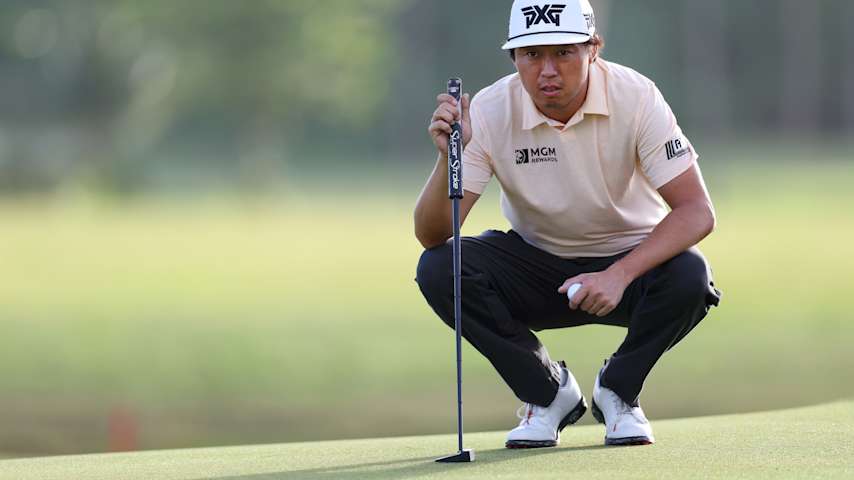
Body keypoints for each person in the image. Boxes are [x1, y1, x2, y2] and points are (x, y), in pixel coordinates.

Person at [414, 0, 722, 448]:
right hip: (535, 262)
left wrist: (618, 274)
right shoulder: (489, 108)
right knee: (440, 268)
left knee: (691, 276)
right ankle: (547, 394)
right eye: (532, 55)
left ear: (593, 50)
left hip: (629, 261)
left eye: (563, 52)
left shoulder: (635, 96)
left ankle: (618, 391)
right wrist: (448, 159)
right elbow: (432, 235)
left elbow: (696, 210)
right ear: (514, 59)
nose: (547, 71)